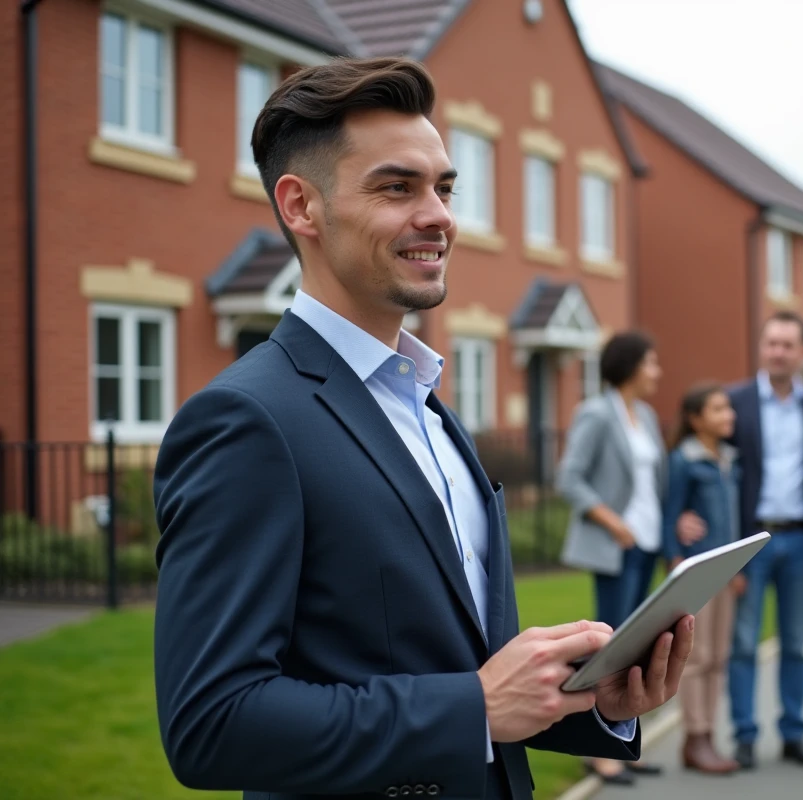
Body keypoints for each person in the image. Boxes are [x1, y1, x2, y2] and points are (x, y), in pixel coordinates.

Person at [151, 56, 693, 800]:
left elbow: (466, 668)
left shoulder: (429, 406)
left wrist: (592, 701)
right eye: (397, 187)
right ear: (301, 207)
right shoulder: (245, 421)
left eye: (443, 187)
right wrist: (473, 707)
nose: (439, 214)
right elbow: (210, 723)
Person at [715, 310, 803, 770]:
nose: (778, 352)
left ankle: (794, 734)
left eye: (788, 345)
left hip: (802, 540)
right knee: (743, 643)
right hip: (751, 542)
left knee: (798, 643)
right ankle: (745, 734)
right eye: (771, 343)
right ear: (761, 348)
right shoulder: (735, 402)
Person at [556, 331, 668, 785]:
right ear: (631, 366)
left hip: (647, 543)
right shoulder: (596, 414)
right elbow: (569, 478)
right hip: (616, 545)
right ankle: (598, 752)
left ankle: (624, 745)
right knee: (609, 648)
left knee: (635, 648)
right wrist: (611, 521)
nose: (657, 372)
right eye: (652, 363)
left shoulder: (645, 414)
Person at [660, 382, 744, 775]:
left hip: (726, 573)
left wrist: (738, 570)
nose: (728, 415)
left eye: (728, 408)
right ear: (696, 419)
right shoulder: (684, 460)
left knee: (719, 658)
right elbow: (671, 515)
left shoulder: (728, 458)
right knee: (698, 657)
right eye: (717, 409)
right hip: (697, 572)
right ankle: (694, 738)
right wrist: (676, 566)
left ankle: (708, 735)